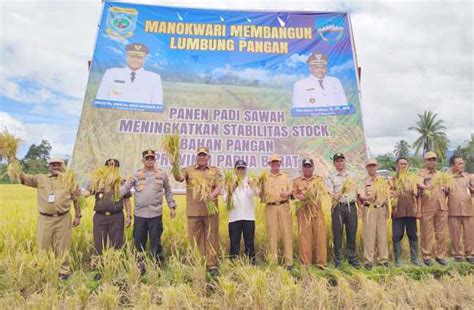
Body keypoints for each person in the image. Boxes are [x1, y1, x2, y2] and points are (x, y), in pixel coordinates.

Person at [19, 158, 81, 280]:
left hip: (63, 217)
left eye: (58, 164)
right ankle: (45, 269)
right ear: (49, 166)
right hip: (45, 218)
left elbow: (77, 199)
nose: (56, 166)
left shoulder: (70, 180)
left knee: (63, 246)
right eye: (53, 164)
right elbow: (23, 179)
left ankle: (63, 272)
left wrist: (78, 215)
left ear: (63, 166)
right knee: (43, 245)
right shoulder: (40, 178)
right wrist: (13, 164)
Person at [121, 150, 176, 274]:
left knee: (155, 240)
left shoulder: (161, 174)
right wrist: (113, 189)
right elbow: (125, 189)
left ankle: (156, 265)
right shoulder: (136, 175)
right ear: (143, 160)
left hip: (156, 214)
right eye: (147, 158)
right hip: (140, 215)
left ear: (155, 160)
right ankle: (140, 265)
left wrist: (172, 206)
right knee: (139, 240)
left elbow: (167, 191)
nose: (150, 160)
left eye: (152, 158)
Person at [172, 147, 223, 277]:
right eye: (200, 155)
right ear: (196, 157)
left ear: (208, 157)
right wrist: (174, 164)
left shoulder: (214, 171)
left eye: (204, 155)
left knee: (212, 236)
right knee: (195, 238)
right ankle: (197, 262)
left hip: (210, 210)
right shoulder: (188, 170)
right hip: (194, 211)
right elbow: (179, 177)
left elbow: (219, 186)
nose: (202, 157)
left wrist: (212, 195)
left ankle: (212, 264)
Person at [87, 159, 132, 257]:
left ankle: (114, 264)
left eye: (114, 165)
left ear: (117, 168)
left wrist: (129, 216)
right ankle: (98, 266)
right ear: (106, 167)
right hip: (100, 216)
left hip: (116, 217)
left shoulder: (122, 182)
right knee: (99, 242)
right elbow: (86, 193)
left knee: (117, 242)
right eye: (109, 165)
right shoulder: (98, 180)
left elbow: (127, 200)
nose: (112, 167)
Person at [96, 43, 163, 105]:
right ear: (126, 56)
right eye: (132, 56)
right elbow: (101, 98)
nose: (135, 60)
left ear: (144, 59)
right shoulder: (111, 73)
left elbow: (157, 104)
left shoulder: (154, 78)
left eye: (139, 57)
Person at [326, 153, 360, 268]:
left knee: (351, 233)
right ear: (334, 163)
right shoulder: (331, 177)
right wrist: (342, 190)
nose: (340, 163)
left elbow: (357, 192)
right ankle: (339, 259)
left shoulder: (352, 176)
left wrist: (359, 208)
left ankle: (352, 258)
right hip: (338, 208)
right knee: (337, 234)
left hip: (351, 207)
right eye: (337, 161)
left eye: (341, 160)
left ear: (345, 162)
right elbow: (332, 195)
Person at [260, 154, 294, 269]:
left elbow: (291, 189)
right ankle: (273, 262)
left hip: (284, 206)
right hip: (270, 207)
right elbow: (261, 194)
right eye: (273, 163)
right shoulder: (264, 177)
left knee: (287, 233)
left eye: (277, 163)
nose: (275, 165)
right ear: (269, 164)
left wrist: (288, 193)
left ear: (280, 164)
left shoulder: (285, 176)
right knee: (272, 234)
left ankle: (289, 262)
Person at [293, 158, 328, 268]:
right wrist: (302, 197)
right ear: (302, 168)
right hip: (303, 212)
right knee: (304, 238)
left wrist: (312, 195)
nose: (307, 169)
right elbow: (294, 195)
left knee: (320, 238)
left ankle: (321, 263)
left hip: (316, 211)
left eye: (309, 166)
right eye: (305, 167)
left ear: (313, 168)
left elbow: (322, 192)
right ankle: (305, 263)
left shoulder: (319, 180)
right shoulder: (297, 181)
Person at [418, 151, 449, 266]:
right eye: (429, 159)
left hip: (441, 206)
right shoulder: (421, 174)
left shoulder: (441, 174)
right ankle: (427, 256)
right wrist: (426, 187)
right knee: (427, 233)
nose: (432, 161)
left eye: (434, 159)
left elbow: (447, 189)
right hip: (427, 207)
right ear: (425, 161)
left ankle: (440, 256)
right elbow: (420, 184)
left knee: (441, 233)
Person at [357, 158, 389, 270]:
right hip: (369, 209)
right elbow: (360, 195)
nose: (372, 168)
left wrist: (388, 210)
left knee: (382, 235)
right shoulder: (363, 181)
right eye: (369, 166)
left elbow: (387, 196)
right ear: (366, 168)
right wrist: (368, 198)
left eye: (374, 166)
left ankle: (383, 259)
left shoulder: (382, 181)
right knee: (369, 236)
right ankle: (368, 260)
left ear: (376, 167)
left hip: (381, 209)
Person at [222, 159, 256, 263]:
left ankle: (250, 262)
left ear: (246, 169)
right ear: (235, 169)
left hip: (248, 217)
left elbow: (251, 194)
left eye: (243, 168)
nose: (241, 170)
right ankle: (233, 262)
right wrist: (231, 189)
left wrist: (252, 185)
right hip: (234, 217)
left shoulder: (250, 180)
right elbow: (224, 199)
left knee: (249, 241)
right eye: (239, 168)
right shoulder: (229, 181)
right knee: (234, 241)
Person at [390, 157, 422, 267]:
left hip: (411, 212)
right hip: (397, 212)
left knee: (413, 235)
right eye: (401, 164)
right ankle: (398, 260)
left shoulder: (413, 179)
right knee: (397, 235)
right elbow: (387, 194)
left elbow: (419, 195)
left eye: (405, 164)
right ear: (396, 165)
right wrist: (393, 194)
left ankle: (415, 259)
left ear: (407, 166)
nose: (403, 166)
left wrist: (418, 210)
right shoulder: (392, 179)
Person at [447, 155, 474, 264]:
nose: (462, 165)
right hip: (453, 210)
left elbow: (472, 191)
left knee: (470, 233)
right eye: (459, 163)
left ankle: (470, 253)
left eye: (463, 163)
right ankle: (457, 254)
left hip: (468, 209)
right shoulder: (447, 178)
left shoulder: (468, 177)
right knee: (455, 233)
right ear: (453, 166)